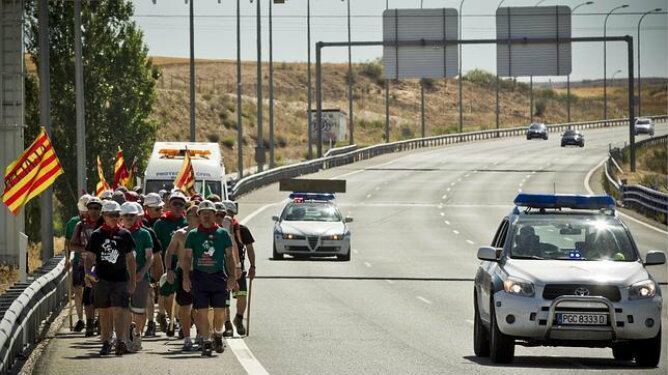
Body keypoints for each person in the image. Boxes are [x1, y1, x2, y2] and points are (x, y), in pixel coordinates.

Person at [181, 200, 239, 356]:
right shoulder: (193, 235)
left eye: (209, 213)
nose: (206, 216)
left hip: (218, 276)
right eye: (203, 213)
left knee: (220, 312)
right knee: (202, 312)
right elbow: (186, 258)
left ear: (215, 215)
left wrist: (232, 276)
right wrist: (186, 277)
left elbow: (229, 256)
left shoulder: (222, 234)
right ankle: (207, 341)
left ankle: (218, 334)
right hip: (199, 277)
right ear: (199, 216)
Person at [84, 200, 137, 356]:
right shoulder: (97, 235)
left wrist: (133, 281)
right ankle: (106, 341)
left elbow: (131, 260)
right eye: (111, 215)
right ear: (104, 216)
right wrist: (89, 274)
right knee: (105, 311)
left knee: (119, 310)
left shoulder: (125, 234)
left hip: (120, 279)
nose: (114, 218)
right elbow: (89, 258)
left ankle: (120, 341)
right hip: (102, 279)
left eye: (116, 215)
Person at [164, 204, 199, 351]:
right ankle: (187, 338)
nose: (196, 219)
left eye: (198, 215)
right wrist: (170, 269)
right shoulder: (180, 234)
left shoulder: (206, 234)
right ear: (187, 217)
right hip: (184, 273)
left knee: (200, 307)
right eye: (192, 216)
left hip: (201, 273)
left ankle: (201, 335)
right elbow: (169, 252)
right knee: (185, 307)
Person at [153, 191, 188, 334]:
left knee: (181, 295)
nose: (178, 207)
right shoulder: (160, 223)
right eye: (175, 204)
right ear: (169, 205)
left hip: (183, 265)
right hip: (165, 264)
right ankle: (169, 317)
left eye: (181, 204)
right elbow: (157, 246)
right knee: (166, 295)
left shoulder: (188, 223)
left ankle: (179, 321)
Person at [121, 202, 154, 352]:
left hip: (141, 278)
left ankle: (138, 335)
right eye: (126, 215)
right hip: (121, 278)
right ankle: (127, 337)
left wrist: (142, 272)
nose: (129, 218)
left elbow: (150, 257)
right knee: (124, 309)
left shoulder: (144, 234)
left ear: (137, 216)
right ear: (121, 216)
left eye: (132, 215)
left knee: (139, 310)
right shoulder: (118, 233)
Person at [70, 197, 105, 337]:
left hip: (103, 264)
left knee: (102, 294)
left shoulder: (105, 224)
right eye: (91, 208)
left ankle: (102, 323)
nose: (94, 211)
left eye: (97, 208)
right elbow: (72, 245)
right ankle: (89, 323)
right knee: (88, 295)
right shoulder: (80, 225)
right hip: (86, 265)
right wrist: (84, 249)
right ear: (87, 209)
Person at [222, 201, 255, 337]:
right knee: (224, 298)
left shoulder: (242, 229)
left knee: (242, 295)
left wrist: (252, 266)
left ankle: (239, 319)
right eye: (224, 214)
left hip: (238, 267)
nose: (227, 217)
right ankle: (227, 323)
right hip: (221, 267)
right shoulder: (217, 231)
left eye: (230, 214)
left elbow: (250, 249)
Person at [65, 194, 92, 332]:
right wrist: (67, 259)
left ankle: (92, 319)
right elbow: (68, 243)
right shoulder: (73, 223)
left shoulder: (97, 222)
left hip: (93, 264)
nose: (84, 212)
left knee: (92, 290)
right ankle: (81, 319)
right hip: (78, 262)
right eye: (83, 210)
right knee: (77, 289)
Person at [141, 192, 165, 336]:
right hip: (139, 264)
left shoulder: (163, 222)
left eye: (161, 208)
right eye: (157, 209)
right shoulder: (143, 225)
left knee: (152, 293)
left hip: (156, 263)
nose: (160, 211)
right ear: (146, 208)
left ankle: (151, 322)